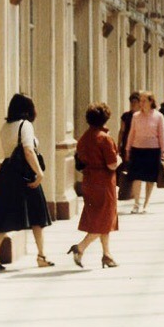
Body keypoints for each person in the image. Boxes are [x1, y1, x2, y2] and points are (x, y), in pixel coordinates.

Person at [0, 94, 54, 271]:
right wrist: (39, 173)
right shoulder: (25, 125)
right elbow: (28, 150)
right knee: (38, 213)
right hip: (25, 173)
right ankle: (41, 255)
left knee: (4, 212)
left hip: (8, 171)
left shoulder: (5, 127)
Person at [68, 103, 121, 268]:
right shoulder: (105, 139)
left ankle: (107, 254)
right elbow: (112, 164)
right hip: (104, 181)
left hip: (89, 181)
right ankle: (80, 247)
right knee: (104, 219)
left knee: (101, 217)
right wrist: (120, 159)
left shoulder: (84, 138)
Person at [125, 91, 164, 214]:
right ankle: (136, 204)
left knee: (150, 179)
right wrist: (128, 148)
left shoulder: (159, 116)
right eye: (140, 101)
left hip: (153, 150)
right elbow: (131, 133)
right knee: (136, 177)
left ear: (151, 102)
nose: (141, 103)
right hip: (137, 149)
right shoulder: (136, 116)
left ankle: (146, 204)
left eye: (144, 100)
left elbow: (162, 135)